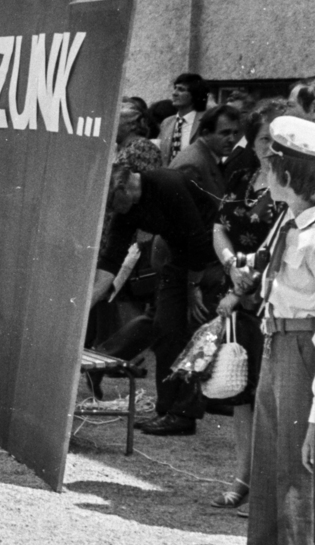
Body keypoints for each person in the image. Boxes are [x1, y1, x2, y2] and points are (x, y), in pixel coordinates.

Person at [228, 115, 315, 545]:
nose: (264, 170)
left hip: (304, 352)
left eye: (271, 162)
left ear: (291, 169)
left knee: (298, 480)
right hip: (276, 341)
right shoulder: (289, 221)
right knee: (269, 473)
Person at [92, 156, 220, 436]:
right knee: (164, 327)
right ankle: (166, 407)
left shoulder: (166, 183)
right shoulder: (127, 208)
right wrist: (88, 301)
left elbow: (198, 235)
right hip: (180, 258)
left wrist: (194, 285)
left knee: (194, 333)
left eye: (113, 205)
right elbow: (112, 259)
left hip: (210, 258)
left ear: (123, 188)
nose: (113, 213)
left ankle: (184, 413)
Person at [210, 100, 287, 510]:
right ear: (252, 139)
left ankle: (271, 489)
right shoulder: (241, 174)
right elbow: (219, 226)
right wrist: (228, 264)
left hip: (266, 298)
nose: (271, 147)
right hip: (236, 293)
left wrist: (238, 288)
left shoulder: (294, 181)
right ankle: (243, 477)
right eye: (264, 139)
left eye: (278, 140)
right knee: (241, 393)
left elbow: (278, 246)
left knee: (270, 396)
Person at [171, 102, 240, 207]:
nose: (232, 139)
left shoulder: (208, 157)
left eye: (235, 133)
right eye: (225, 133)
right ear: (206, 134)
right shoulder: (192, 165)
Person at [158, 72, 209, 166]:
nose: (174, 93)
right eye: (175, 88)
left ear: (194, 95)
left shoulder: (205, 120)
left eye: (181, 90)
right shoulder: (167, 122)